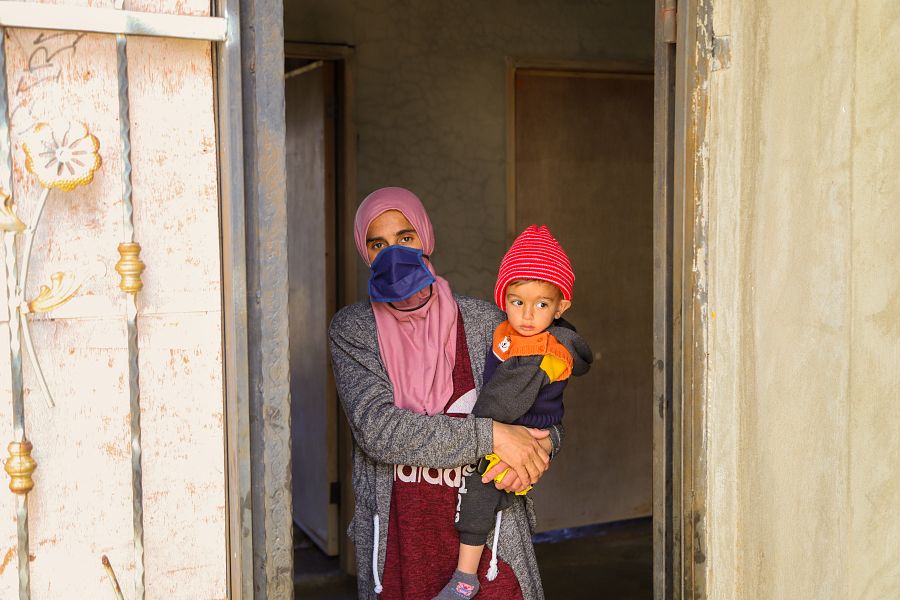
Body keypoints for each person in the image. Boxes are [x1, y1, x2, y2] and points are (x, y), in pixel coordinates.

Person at [329, 187, 562, 599]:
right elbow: (379, 431)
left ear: (426, 237)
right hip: (401, 548)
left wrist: (542, 447)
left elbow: (543, 403)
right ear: (365, 253)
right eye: (377, 244)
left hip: (492, 551)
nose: (393, 254)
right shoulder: (354, 330)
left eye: (405, 237)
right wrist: (493, 436)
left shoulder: (485, 321)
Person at [433, 225, 593, 600]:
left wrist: (477, 435)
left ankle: (464, 579)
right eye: (517, 301)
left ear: (561, 307)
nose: (527, 315)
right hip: (513, 427)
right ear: (503, 297)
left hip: (521, 427)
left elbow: (503, 400)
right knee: (497, 490)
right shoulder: (508, 333)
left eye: (542, 305)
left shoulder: (542, 352)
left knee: (479, 492)